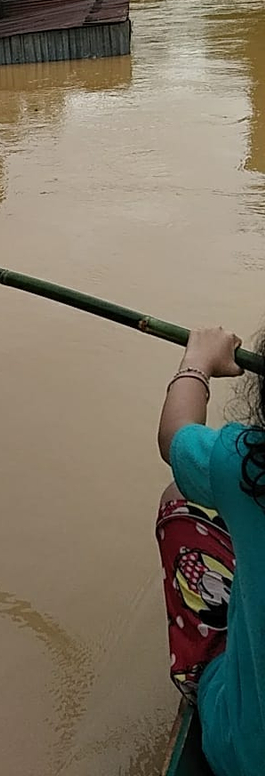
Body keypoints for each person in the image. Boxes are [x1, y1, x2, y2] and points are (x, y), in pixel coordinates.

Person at [156, 327, 265, 776]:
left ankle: (199, 666)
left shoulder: (248, 462)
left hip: (246, 753)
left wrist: (198, 360)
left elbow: (174, 437)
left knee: (176, 499)